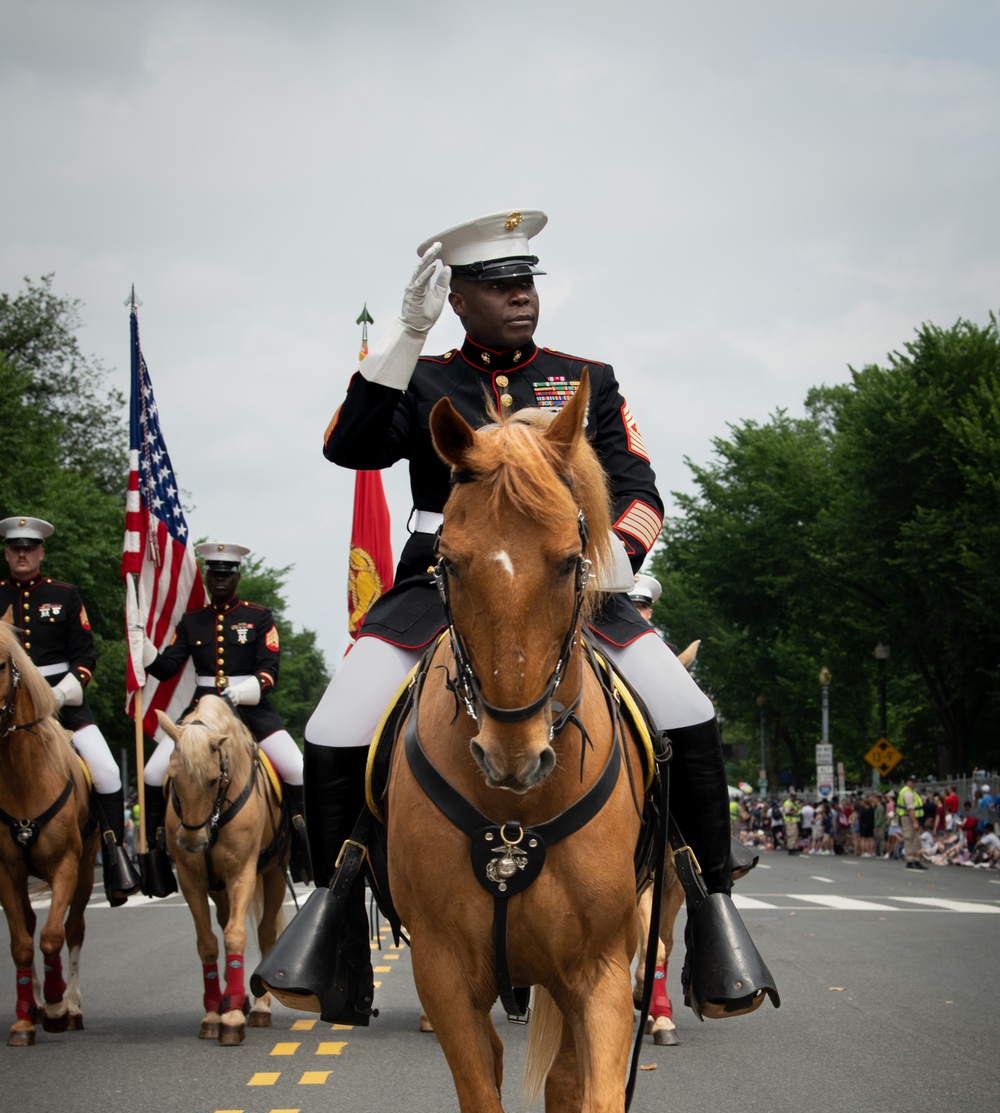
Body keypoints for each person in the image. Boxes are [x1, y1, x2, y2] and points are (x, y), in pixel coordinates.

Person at [306, 209, 769, 1017]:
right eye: (499, 286)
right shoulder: (424, 378)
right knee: (335, 726)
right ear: (458, 299)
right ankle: (332, 917)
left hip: (572, 583)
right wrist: (404, 341)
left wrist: (616, 551)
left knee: (687, 709)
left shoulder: (585, 376)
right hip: (442, 587)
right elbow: (351, 447)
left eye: (527, 284)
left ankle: (715, 908)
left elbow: (640, 487)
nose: (521, 298)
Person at [139, 542, 310, 895]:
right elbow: (169, 667)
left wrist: (244, 691)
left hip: (250, 708)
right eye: (214, 573)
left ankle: (302, 849)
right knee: (153, 772)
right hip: (202, 710)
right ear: (206, 576)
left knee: (296, 768)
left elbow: (269, 670)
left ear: (237, 576)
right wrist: (146, 652)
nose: (219, 580)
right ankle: (156, 853)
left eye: (226, 574)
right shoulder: (191, 621)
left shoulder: (259, 617)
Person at [0, 515, 140, 905]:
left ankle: (116, 857)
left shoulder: (64, 595)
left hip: (62, 703)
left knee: (107, 771)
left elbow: (84, 658)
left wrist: (57, 696)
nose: (22, 554)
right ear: (7, 553)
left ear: (41, 552)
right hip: (3, 709)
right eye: (15, 548)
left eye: (29, 548)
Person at [897, 775, 925, 869]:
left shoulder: (912, 792)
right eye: (913, 782)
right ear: (908, 782)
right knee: (909, 838)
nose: (914, 783)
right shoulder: (907, 793)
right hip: (908, 817)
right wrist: (915, 822)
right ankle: (910, 859)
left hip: (912, 817)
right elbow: (910, 809)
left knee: (915, 839)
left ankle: (916, 859)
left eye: (915, 782)